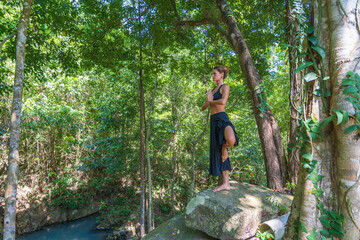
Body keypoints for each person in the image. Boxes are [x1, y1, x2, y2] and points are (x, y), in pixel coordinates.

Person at [202, 65, 239, 192]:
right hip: (213, 120)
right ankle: (226, 183)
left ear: (221, 74)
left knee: (231, 139)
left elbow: (223, 102)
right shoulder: (211, 91)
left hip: (222, 118)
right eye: (212, 74)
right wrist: (208, 99)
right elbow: (203, 107)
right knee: (217, 149)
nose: (212, 76)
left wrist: (210, 101)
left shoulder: (225, 87)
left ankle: (224, 148)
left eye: (214, 73)